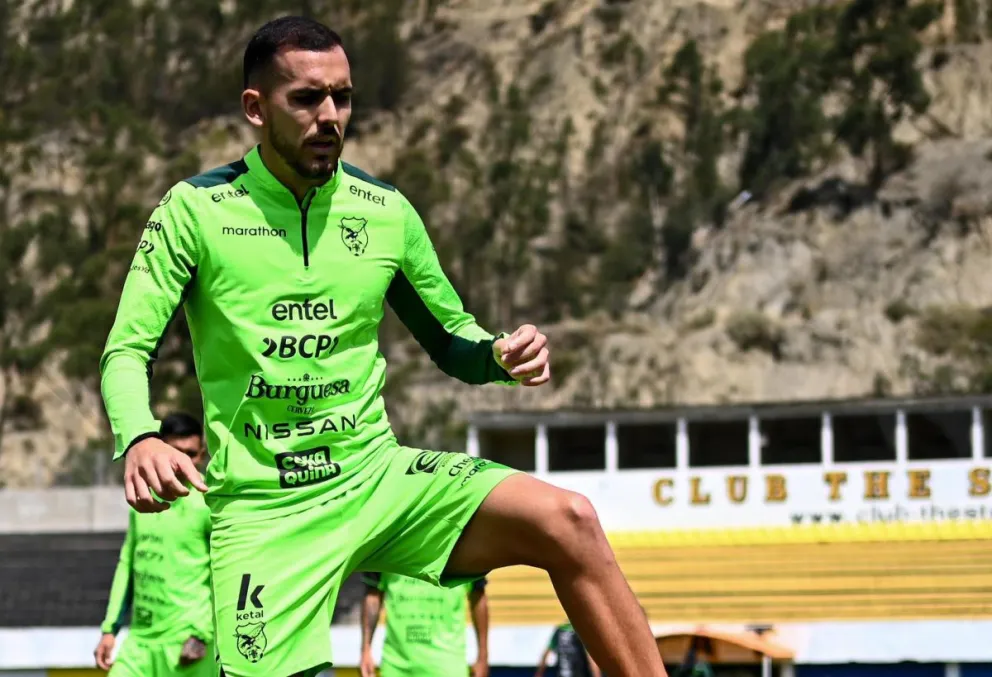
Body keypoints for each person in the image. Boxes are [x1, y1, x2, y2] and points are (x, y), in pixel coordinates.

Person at [99, 14, 668, 677]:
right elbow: (125, 351)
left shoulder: (383, 210)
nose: (331, 115)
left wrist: (498, 354)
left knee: (568, 520)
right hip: (265, 512)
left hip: (377, 478)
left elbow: (452, 337)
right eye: (307, 98)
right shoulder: (194, 211)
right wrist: (139, 436)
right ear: (256, 107)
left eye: (342, 96)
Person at [94, 413, 214, 677]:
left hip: (188, 643)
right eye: (175, 453)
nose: (184, 462)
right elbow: (128, 563)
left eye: (190, 454)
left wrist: (203, 633)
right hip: (140, 642)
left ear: (201, 455)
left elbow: (227, 572)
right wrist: (109, 629)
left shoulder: (209, 503)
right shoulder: (144, 497)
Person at [359, 572, 489, 677]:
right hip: (396, 665)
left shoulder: (461, 543)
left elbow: (478, 595)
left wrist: (483, 657)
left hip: (447, 664)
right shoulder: (386, 541)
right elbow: (373, 594)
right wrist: (365, 649)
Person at [535, 622, 602, 677]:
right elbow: (590, 659)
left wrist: (539, 674)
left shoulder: (559, 630)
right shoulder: (581, 630)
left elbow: (546, 654)